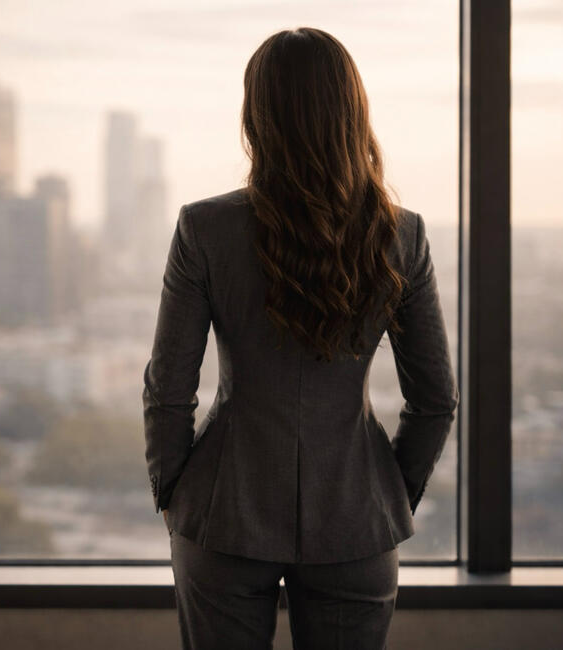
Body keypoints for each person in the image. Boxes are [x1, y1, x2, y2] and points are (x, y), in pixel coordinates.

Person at [141, 27, 459, 650]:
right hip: (356, 519)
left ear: (256, 116)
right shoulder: (404, 235)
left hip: (222, 513)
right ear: (353, 113)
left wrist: (174, 496)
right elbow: (436, 402)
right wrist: (386, 493)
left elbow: (168, 390)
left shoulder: (204, 229)